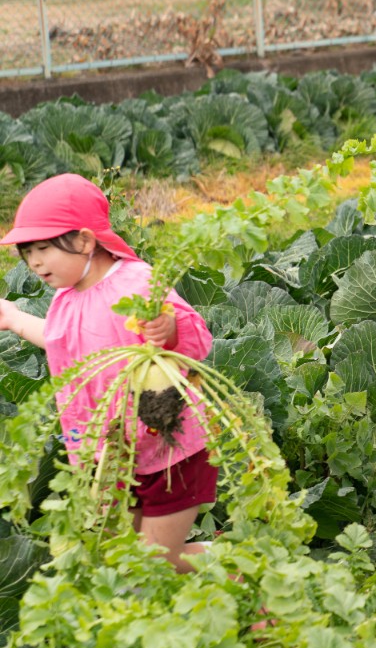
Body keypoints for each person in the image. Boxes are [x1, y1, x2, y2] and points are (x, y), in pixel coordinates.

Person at [0, 174, 215, 573]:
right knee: (122, 557)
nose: (35, 263)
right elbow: (60, 341)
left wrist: (168, 330)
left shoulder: (136, 284)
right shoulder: (67, 298)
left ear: (84, 240)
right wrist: (13, 319)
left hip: (170, 453)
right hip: (113, 457)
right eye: (27, 253)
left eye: (44, 248)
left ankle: (236, 564)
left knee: (156, 561)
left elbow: (198, 340)